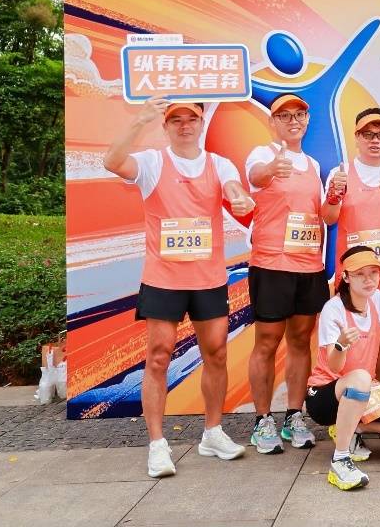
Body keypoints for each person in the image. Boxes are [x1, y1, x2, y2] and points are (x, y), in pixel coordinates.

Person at [103, 96, 253, 478]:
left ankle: (213, 433)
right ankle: (157, 445)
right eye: (176, 120)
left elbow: (233, 187)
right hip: (163, 279)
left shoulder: (218, 164)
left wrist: (238, 197)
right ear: (166, 126)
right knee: (158, 357)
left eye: (192, 119)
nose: (185, 126)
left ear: (202, 123)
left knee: (216, 354)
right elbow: (112, 162)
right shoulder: (153, 163)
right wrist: (139, 121)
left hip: (208, 279)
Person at [243, 93, 325, 454]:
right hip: (272, 263)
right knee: (267, 341)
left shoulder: (314, 164)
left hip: (309, 265)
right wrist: (271, 169)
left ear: (307, 120)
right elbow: (256, 176)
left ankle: (294, 415)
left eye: (299, 115)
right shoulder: (261, 155)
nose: (293, 121)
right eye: (284, 115)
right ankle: (262, 420)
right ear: (272, 122)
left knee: (301, 341)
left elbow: (320, 212)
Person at [305, 246, 380, 490]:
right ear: (345, 277)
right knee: (362, 378)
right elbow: (334, 365)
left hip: (363, 388)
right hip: (324, 394)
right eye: (359, 274)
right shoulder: (333, 309)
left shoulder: (378, 299)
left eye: (373, 272)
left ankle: (351, 426)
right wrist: (341, 345)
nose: (368, 279)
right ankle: (340, 461)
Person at [322, 108, 380, 386]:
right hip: (353, 273)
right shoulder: (341, 173)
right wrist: (334, 195)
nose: (374, 140)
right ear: (356, 137)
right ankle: (351, 399)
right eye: (367, 134)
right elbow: (329, 218)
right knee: (351, 339)